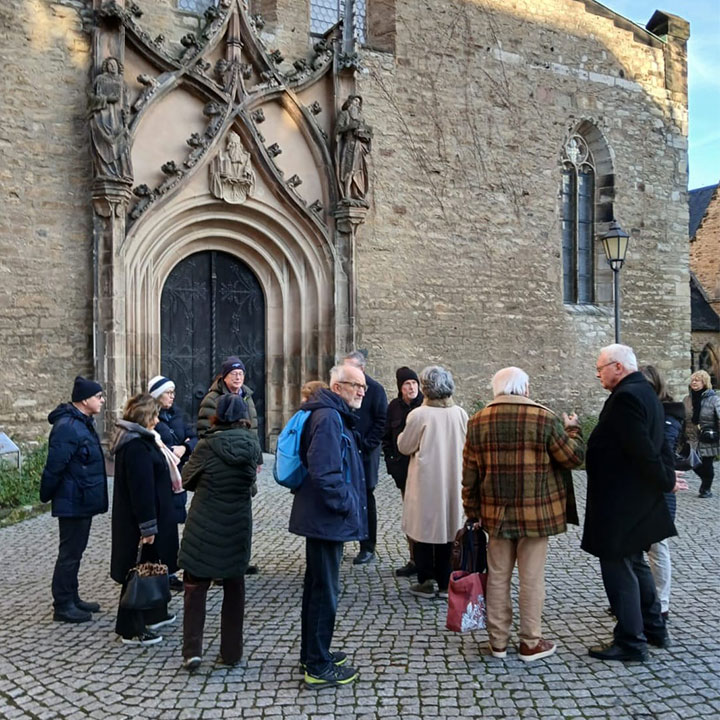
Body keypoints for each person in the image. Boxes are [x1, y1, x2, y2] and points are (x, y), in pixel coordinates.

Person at [462, 367, 585, 662]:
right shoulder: (544, 417)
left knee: (497, 577)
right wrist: (572, 429)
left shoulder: (477, 420)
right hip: (535, 514)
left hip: (495, 513)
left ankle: (498, 642)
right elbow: (574, 458)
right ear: (525, 388)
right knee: (531, 579)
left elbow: (469, 474)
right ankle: (530, 641)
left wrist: (472, 511)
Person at [583, 344, 676, 662]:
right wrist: (666, 478)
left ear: (618, 367)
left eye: (600, 369)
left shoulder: (626, 397)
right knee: (636, 564)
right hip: (635, 500)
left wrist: (665, 480)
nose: (598, 375)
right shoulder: (646, 392)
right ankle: (653, 628)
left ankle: (631, 642)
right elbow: (659, 445)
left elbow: (643, 450)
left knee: (619, 569)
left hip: (621, 502)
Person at [289, 363, 368, 687]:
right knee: (325, 591)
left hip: (323, 518)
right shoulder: (328, 417)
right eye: (355, 385)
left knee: (319, 588)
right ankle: (318, 665)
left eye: (363, 386)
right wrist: (346, 505)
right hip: (326, 518)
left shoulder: (330, 415)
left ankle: (313, 653)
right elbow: (325, 473)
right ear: (337, 388)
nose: (361, 391)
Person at [178, 394, 262, 671]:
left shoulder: (206, 445)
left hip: (204, 522)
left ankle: (192, 652)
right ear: (243, 418)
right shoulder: (252, 445)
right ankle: (232, 652)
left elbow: (187, 479)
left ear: (217, 416)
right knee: (234, 587)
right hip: (237, 523)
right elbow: (251, 485)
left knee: (195, 587)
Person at [110, 394, 179, 646]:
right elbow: (141, 490)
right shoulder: (136, 446)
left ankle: (153, 612)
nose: (158, 419)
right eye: (155, 415)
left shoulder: (142, 441)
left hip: (153, 515)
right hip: (141, 520)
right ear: (145, 417)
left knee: (151, 565)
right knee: (136, 571)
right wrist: (147, 526)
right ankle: (130, 628)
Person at [40, 376, 108, 623]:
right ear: (84, 400)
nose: (102, 401)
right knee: (69, 553)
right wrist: (46, 494)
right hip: (73, 499)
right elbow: (55, 465)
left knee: (75, 552)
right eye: (98, 396)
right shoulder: (68, 426)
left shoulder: (83, 422)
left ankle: (72, 597)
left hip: (81, 498)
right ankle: (63, 605)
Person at [397, 366, 468, 599]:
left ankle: (426, 580)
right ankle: (447, 581)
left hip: (426, 481)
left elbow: (405, 446)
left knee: (423, 528)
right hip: (453, 479)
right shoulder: (460, 413)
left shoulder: (419, 415)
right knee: (449, 527)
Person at [639, 365, 686, 622]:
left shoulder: (668, 413)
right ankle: (639, 598)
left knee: (657, 546)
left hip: (660, 487)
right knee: (636, 546)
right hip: (640, 488)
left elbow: (660, 449)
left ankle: (661, 603)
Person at [149, 374, 197, 590]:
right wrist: (171, 449)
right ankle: (157, 570)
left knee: (171, 526)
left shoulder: (178, 414)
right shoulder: (150, 418)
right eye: (168, 393)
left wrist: (185, 447)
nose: (172, 396)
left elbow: (194, 436)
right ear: (157, 395)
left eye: (173, 393)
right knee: (158, 525)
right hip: (160, 477)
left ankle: (169, 569)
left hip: (177, 476)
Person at [343, 351, 387, 565]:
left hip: (366, 454)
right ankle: (339, 540)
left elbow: (381, 422)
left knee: (365, 499)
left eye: (350, 367)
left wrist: (366, 444)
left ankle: (367, 547)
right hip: (345, 452)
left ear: (362, 368)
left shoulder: (375, 390)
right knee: (341, 494)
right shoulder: (342, 388)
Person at [382, 366, 424, 577]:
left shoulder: (425, 406)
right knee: (410, 518)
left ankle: (430, 561)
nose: (411, 388)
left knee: (427, 517)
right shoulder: (394, 408)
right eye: (407, 384)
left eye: (414, 384)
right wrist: (392, 463)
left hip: (425, 473)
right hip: (404, 473)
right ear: (400, 387)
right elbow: (387, 437)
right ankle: (414, 559)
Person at [197, 357, 258, 438]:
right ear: (225, 377)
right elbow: (205, 431)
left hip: (246, 446)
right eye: (233, 373)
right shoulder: (212, 399)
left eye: (240, 373)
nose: (238, 378)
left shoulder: (247, 396)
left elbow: (253, 426)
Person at [682, 369, 720, 498]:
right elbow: (683, 418)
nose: (694, 382)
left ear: (704, 382)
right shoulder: (687, 399)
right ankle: (705, 481)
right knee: (691, 462)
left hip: (708, 436)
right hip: (691, 437)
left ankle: (706, 489)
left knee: (707, 464)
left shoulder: (714, 399)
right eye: (692, 380)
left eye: (697, 380)